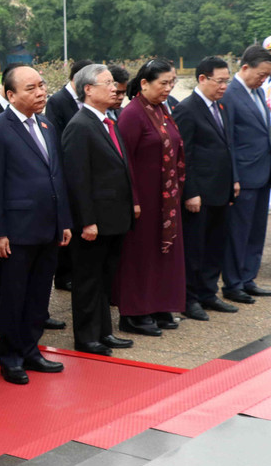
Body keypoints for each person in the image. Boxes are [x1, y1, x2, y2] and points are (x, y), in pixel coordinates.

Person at [0, 66, 72, 381]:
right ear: (11, 95)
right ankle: (11, 359)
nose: (40, 92)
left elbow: (56, 177)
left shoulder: (47, 124)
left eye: (42, 85)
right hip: (17, 232)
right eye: (31, 88)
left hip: (48, 227)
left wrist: (64, 220)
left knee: (38, 295)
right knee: (14, 297)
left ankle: (32, 350)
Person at [62, 64, 138, 356]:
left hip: (114, 217)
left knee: (105, 278)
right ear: (88, 90)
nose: (114, 88)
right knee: (88, 279)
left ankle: (104, 332)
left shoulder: (108, 120)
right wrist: (87, 221)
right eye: (106, 83)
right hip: (94, 222)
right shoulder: (80, 126)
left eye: (113, 83)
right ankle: (86, 337)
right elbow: (77, 179)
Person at [112, 59, 186, 336]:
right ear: (144, 84)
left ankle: (159, 305)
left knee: (162, 253)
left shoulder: (161, 110)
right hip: (143, 199)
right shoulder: (133, 114)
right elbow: (124, 160)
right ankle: (134, 312)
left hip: (165, 198)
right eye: (163, 83)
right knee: (140, 256)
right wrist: (132, 199)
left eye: (172, 83)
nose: (169, 88)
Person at [173, 57, 241, 321]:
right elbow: (183, 155)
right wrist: (190, 191)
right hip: (199, 194)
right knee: (195, 248)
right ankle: (189, 299)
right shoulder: (187, 109)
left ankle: (208, 293)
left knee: (215, 245)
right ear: (202, 79)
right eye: (219, 81)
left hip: (221, 190)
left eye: (227, 81)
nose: (224, 86)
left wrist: (233, 179)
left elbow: (227, 146)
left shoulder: (221, 106)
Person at [222, 45, 271, 303]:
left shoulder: (259, 91)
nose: (263, 79)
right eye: (261, 74)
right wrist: (233, 176)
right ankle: (233, 284)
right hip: (243, 175)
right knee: (238, 231)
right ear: (245, 67)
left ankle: (248, 278)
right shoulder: (230, 95)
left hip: (263, 172)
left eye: (267, 75)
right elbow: (228, 141)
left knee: (257, 230)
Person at [45, 58, 95, 294]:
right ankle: (63, 275)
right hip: (65, 169)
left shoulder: (87, 100)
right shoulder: (58, 101)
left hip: (85, 169)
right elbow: (56, 136)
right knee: (67, 224)